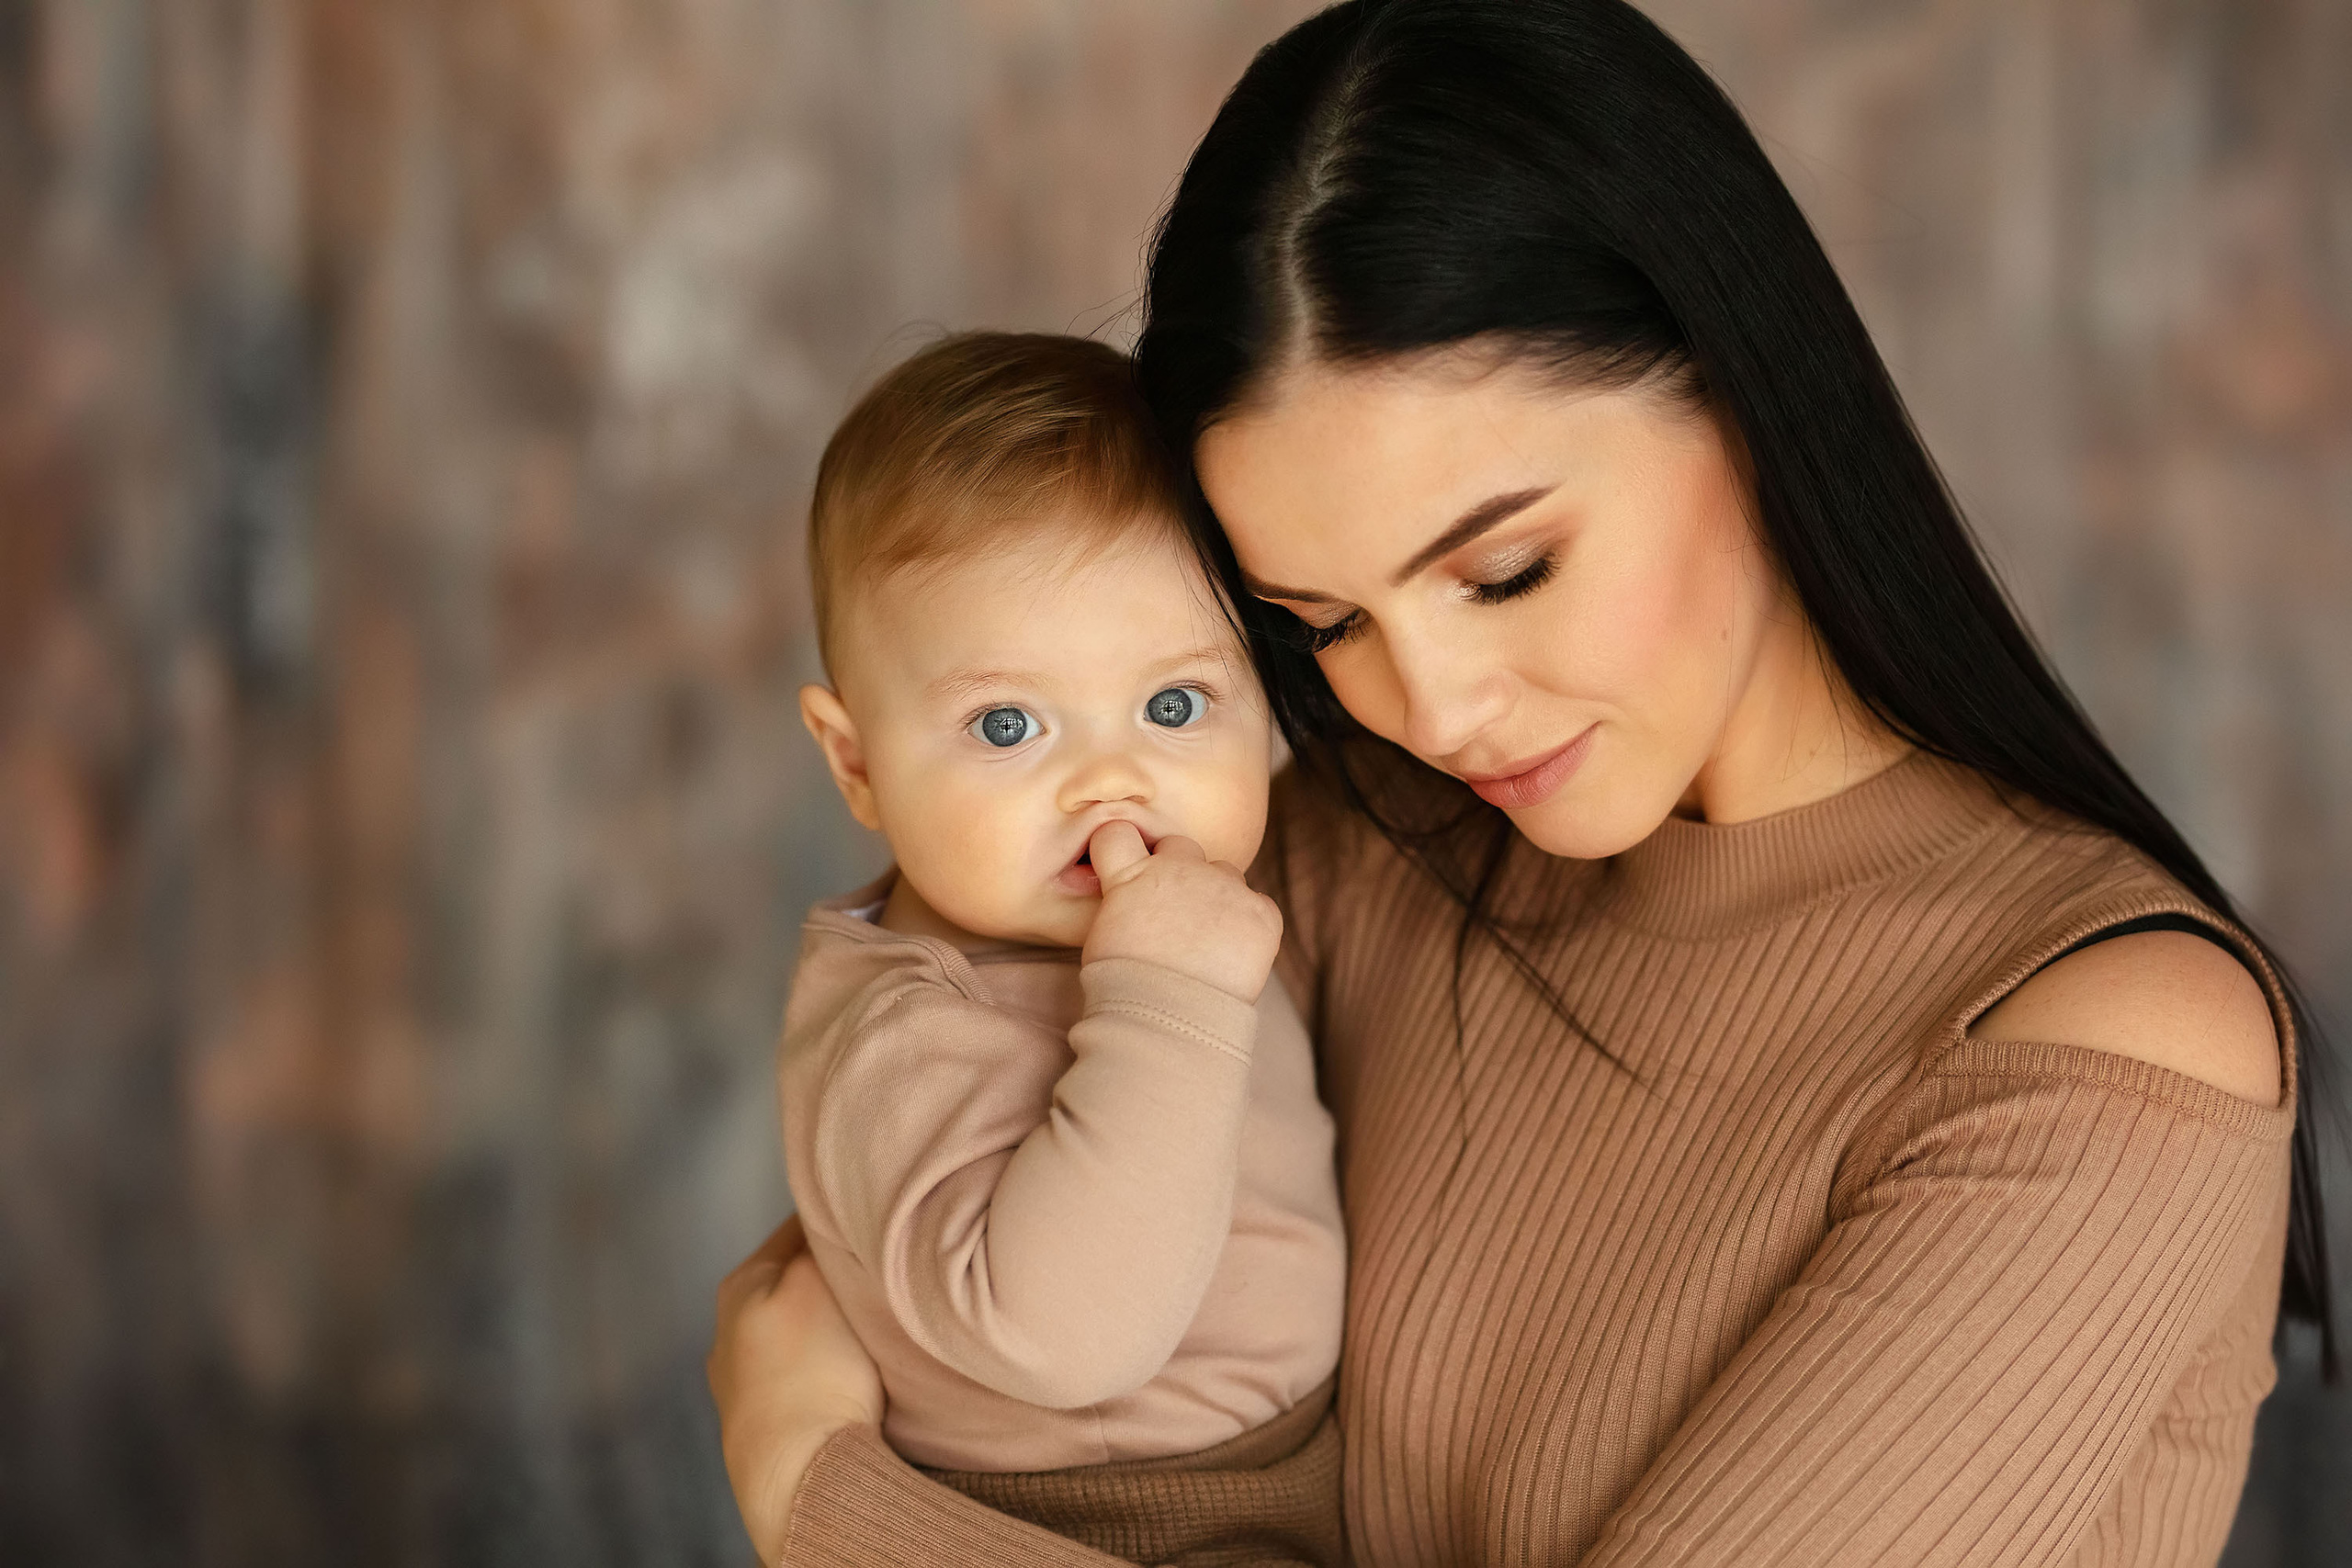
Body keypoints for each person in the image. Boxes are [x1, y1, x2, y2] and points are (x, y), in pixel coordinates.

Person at [710, 4, 2336, 1564]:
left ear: (1744, 394)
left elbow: (848, 1385)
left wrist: (817, 1499)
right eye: (1324, 622)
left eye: (1503, 569)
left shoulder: (2101, 1043)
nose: (1433, 711)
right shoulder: (1357, 855)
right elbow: (932, 1200)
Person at [776, 331, 1346, 1563]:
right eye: (1006, 723)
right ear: (857, 762)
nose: (1111, 780)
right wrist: (1166, 1000)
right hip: (1099, 1524)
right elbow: (1061, 1339)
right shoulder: (909, 1033)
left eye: (1177, 706)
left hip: (1274, 1489)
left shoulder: (1182, 910)